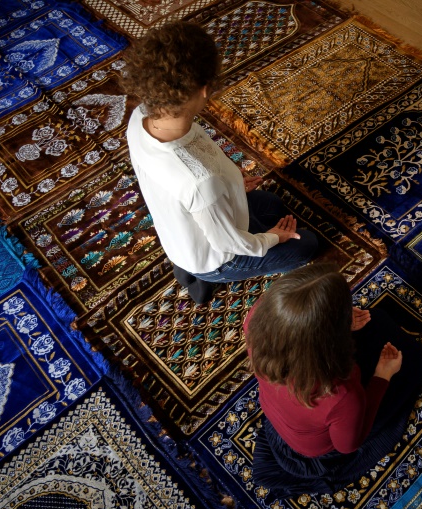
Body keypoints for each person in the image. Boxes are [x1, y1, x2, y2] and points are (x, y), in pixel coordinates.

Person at [123, 22, 318, 304]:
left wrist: (231, 185)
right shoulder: (201, 182)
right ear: (205, 89)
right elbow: (229, 243)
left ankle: (188, 266)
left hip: (185, 226)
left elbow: (191, 178)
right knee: (307, 244)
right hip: (217, 257)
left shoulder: (142, 115)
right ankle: (203, 276)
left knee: (273, 204)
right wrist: (273, 239)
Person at [245, 263, 422, 496]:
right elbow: (348, 446)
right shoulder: (340, 393)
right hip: (316, 447)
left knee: (377, 321)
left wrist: (342, 324)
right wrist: (383, 375)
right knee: (413, 361)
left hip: (281, 412)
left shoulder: (254, 318)